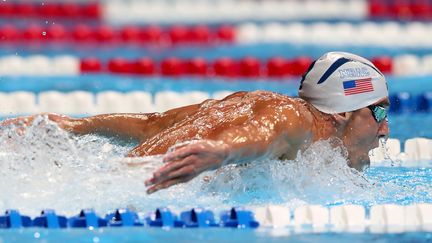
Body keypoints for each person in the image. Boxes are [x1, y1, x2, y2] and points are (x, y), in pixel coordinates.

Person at [1, 52, 390, 194]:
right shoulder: (295, 120)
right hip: (143, 192)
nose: (386, 130)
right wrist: (222, 152)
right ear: (341, 111)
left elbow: (155, 125)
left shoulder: (248, 101)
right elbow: (263, 136)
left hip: (113, 181)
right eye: (380, 112)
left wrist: (74, 127)